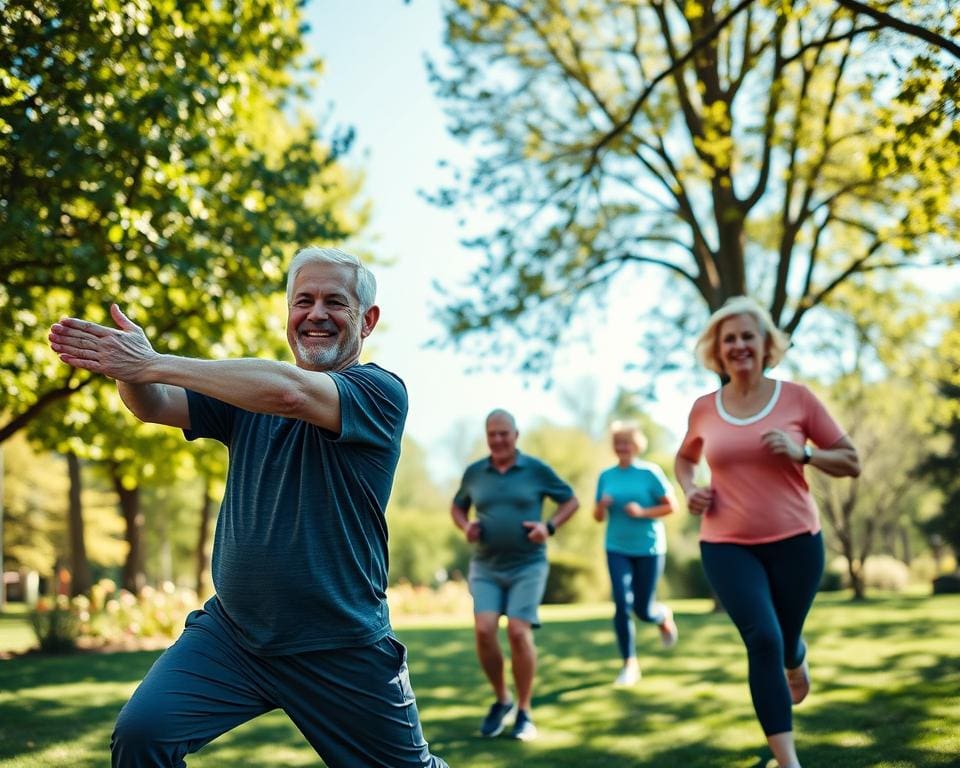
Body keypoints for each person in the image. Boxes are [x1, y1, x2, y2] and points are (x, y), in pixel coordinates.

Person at [48, 247, 448, 768]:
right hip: (234, 637)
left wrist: (152, 362)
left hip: (338, 641)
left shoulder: (378, 392)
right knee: (143, 735)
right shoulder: (246, 394)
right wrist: (130, 369)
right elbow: (156, 404)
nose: (316, 314)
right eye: (303, 301)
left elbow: (290, 394)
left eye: (335, 302)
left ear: (367, 321)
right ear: (289, 314)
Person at [674, 296, 860, 768]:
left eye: (747, 336)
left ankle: (796, 657)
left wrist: (804, 453)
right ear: (717, 350)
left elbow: (851, 460)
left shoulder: (797, 399)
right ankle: (787, 760)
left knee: (785, 638)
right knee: (763, 639)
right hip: (726, 544)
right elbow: (685, 459)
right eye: (729, 339)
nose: (738, 345)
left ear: (765, 344)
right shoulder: (704, 409)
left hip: (797, 542)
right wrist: (690, 488)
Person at [450, 409, 579, 742]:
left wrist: (548, 527)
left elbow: (570, 501)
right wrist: (466, 526)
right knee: (484, 630)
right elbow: (458, 506)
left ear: (516, 435)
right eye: (492, 434)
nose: (498, 440)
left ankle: (524, 710)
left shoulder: (536, 470)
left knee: (519, 633)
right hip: (486, 566)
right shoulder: (475, 473)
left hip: (528, 564)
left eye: (503, 433)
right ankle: (502, 700)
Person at [594, 420, 678, 687]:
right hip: (616, 547)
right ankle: (629, 664)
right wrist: (601, 505)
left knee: (643, 609)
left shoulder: (650, 473)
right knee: (621, 603)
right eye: (618, 443)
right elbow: (597, 517)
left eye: (626, 443)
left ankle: (661, 616)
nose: (622, 447)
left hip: (649, 548)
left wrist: (642, 512)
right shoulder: (606, 476)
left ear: (636, 445)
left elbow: (671, 507)